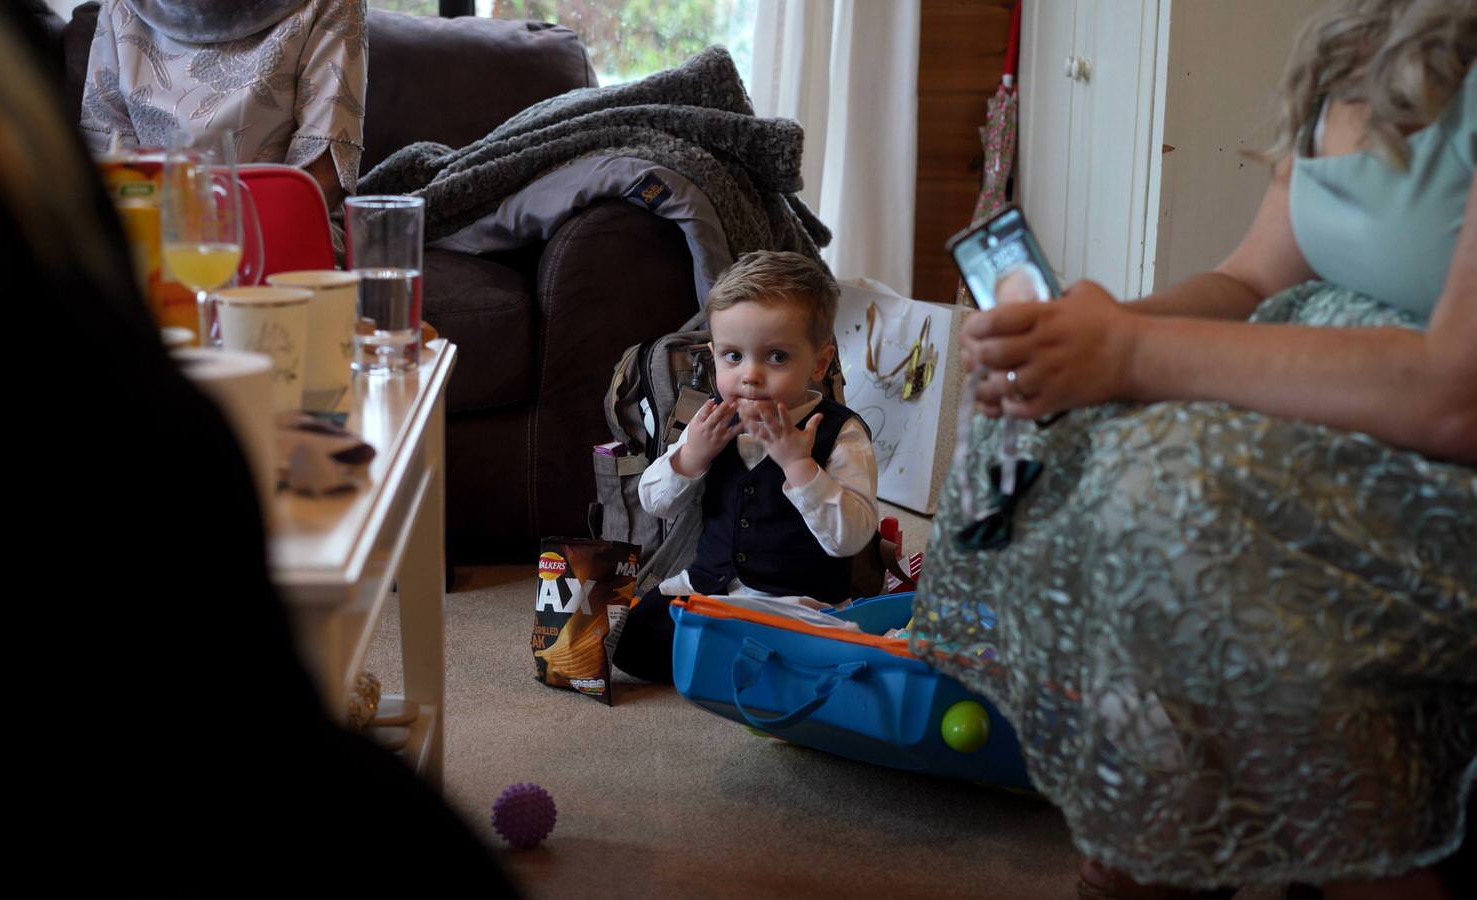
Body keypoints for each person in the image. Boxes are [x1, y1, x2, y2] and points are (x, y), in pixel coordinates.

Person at [0, 1, 513, 884]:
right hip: (152, 247)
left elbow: (327, 163)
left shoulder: (327, 7)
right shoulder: (72, 50)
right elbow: (102, 159)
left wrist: (232, 218)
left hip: (271, 243)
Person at [915, 0, 1476, 897]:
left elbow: (1456, 394)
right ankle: (1160, 825)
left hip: (1425, 452)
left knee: (1164, 484)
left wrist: (1131, 354)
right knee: (1067, 436)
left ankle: (1369, 873)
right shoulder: (1354, 47)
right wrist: (1079, 336)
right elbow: (1252, 280)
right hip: (1308, 403)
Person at [612, 251, 880, 684]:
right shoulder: (712, 420)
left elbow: (849, 538)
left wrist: (799, 464)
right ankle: (743, 665)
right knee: (634, 643)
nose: (750, 375)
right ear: (714, 354)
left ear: (819, 361)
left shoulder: (839, 432)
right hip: (711, 589)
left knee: (827, 656)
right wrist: (690, 456)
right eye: (733, 357)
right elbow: (654, 502)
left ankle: (747, 666)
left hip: (795, 601)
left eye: (776, 357)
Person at [77, 0, 366, 216]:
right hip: (152, 234)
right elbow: (104, 157)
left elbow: (322, 176)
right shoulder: (121, 6)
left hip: (278, 234)